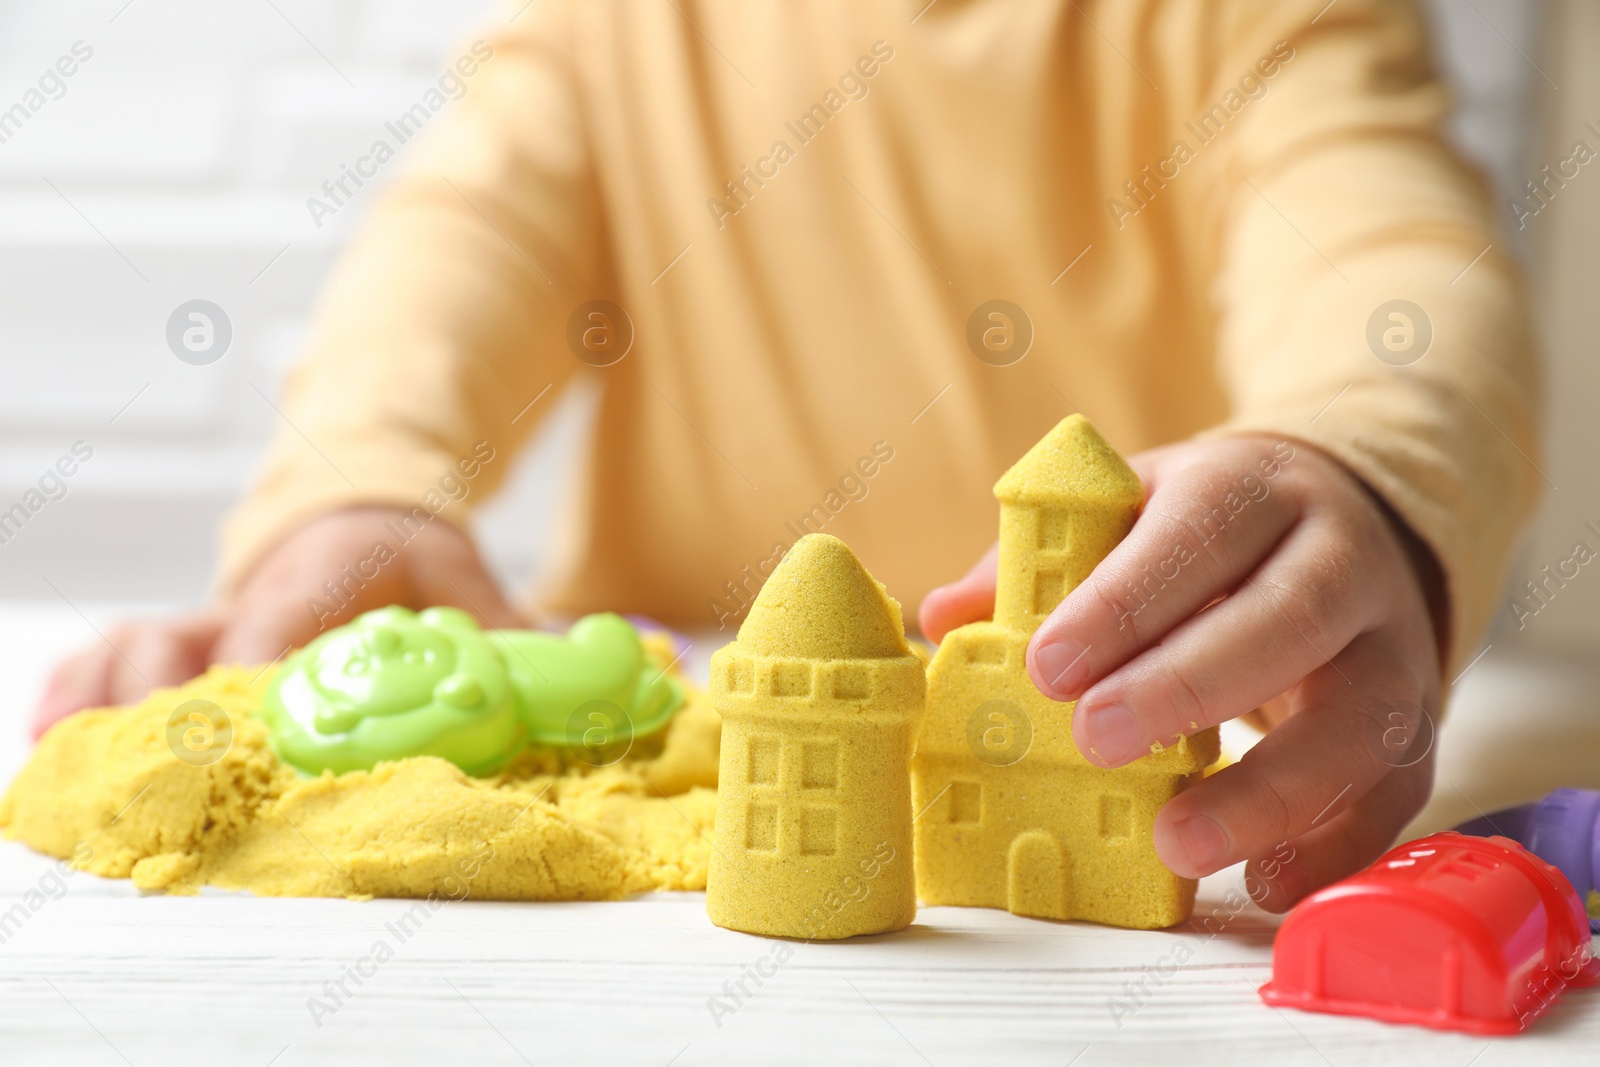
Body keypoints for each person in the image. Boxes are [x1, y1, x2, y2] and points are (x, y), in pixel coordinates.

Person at [32, 0, 1539, 911]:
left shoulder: (1253, 22)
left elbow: (1390, 253)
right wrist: (354, 496)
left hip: (1088, 748)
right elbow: (459, 242)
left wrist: (1359, 473)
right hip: (663, 728)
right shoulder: (625, 29)